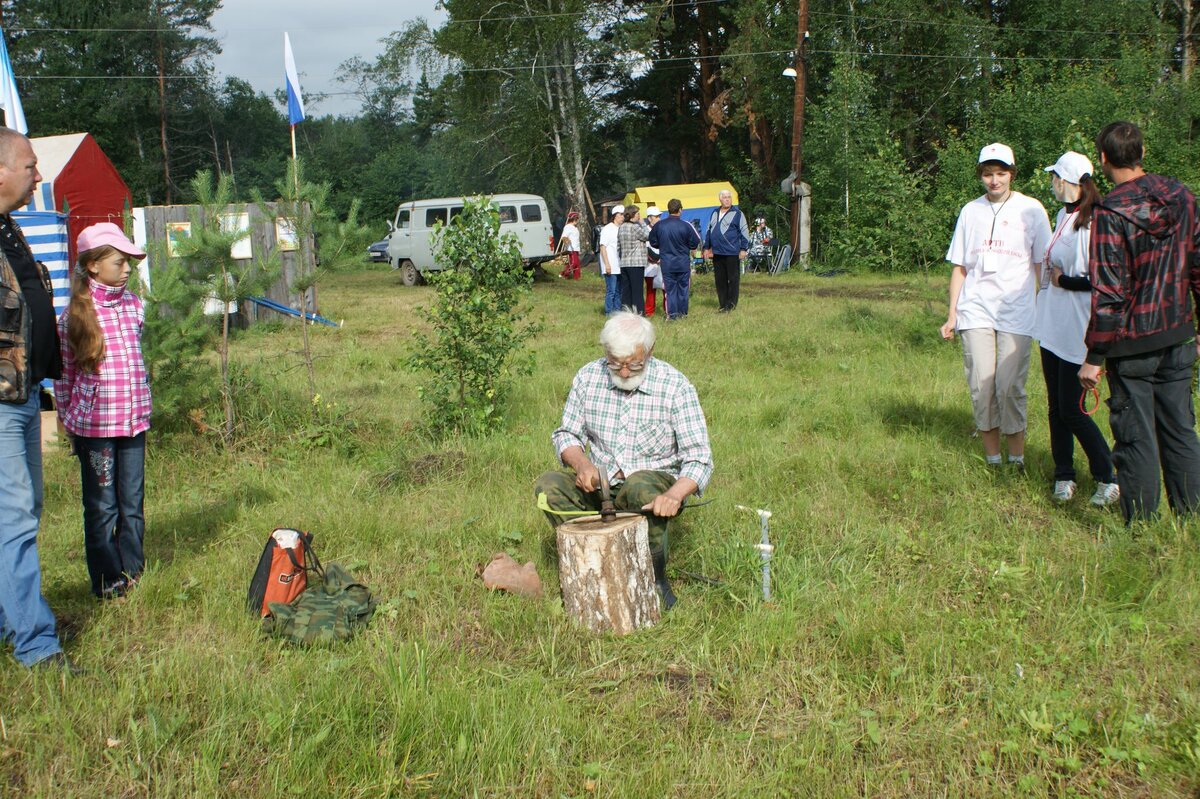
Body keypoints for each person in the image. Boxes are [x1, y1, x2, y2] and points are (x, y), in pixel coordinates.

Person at [534, 311, 713, 608]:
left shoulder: (675, 386)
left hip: (649, 489)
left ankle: (653, 578)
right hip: (599, 486)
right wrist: (582, 465)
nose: (625, 373)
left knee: (640, 485)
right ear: (605, 353)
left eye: (634, 364)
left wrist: (673, 495)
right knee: (548, 486)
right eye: (615, 364)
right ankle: (590, 568)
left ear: (651, 351)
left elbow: (700, 457)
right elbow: (566, 434)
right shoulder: (588, 377)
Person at [1079, 121, 1200, 522]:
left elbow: (1109, 293)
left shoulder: (1110, 211)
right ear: (1142, 153)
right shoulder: (1182, 195)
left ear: (1103, 159)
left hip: (1133, 345)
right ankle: (1191, 518)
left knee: (1136, 438)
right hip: (1179, 333)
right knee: (1181, 430)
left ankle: (1143, 525)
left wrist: (1094, 357)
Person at [0, 128, 74, 671]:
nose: (38, 176)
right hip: (1, 401)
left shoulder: (9, 228)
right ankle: (36, 644)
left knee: (25, 513)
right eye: (30, 166)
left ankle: (13, 620)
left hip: (24, 395)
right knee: (15, 519)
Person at [940, 143, 1052, 470]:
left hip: (1017, 312)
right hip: (975, 310)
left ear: (1012, 174)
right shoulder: (970, 211)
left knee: (1009, 387)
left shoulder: (1032, 210)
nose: (994, 180)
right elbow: (960, 267)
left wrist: (1045, 309)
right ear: (981, 176)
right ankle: (993, 460)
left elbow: (1041, 266)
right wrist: (952, 313)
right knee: (982, 384)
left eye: (1001, 173)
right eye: (988, 174)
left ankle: (1016, 460)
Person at [55, 223, 152, 599]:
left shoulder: (134, 306)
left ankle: (134, 570)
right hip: (95, 430)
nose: (127, 269)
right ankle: (108, 582)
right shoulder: (75, 316)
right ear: (93, 265)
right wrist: (67, 420)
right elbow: (63, 377)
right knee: (102, 507)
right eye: (119, 261)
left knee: (132, 503)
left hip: (133, 423)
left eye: (129, 262)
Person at [1033, 152, 1118, 506]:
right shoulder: (1062, 216)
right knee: (1056, 406)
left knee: (1073, 409)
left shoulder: (1092, 221)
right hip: (1052, 325)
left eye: (1056, 178)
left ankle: (1107, 476)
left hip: (1077, 329)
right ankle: (1064, 474)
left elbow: (1099, 280)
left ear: (1068, 182)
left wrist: (1062, 279)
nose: (1052, 184)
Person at [648, 199, 701, 320]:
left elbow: (653, 241)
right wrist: (688, 246)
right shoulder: (686, 225)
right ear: (680, 210)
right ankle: (683, 313)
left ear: (668, 210)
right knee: (683, 289)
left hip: (667, 263)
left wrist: (662, 246)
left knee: (669, 290)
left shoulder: (659, 225)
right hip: (682, 263)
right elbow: (695, 241)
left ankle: (671, 314)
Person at [702, 189, 750, 312]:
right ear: (720, 199)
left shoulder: (738, 213)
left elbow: (744, 231)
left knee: (733, 279)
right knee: (720, 280)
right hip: (717, 252)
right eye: (725, 197)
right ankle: (723, 304)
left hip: (732, 252)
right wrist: (706, 247)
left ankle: (731, 305)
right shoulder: (714, 212)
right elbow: (709, 230)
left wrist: (743, 249)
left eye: (729, 197)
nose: (727, 199)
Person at [617, 205, 649, 314]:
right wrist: (643, 223)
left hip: (624, 263)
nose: (640, 216)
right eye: (638, 214)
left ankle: (626, 312)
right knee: (637, 291)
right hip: (636, 262)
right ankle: (639, 313)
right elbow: (646, 236)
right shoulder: (635, 227)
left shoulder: (621, 227)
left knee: (626, 291)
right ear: (633, 215)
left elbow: (618, 246)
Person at [598, 205, 624, 315]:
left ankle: (617, 311)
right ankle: (608, 312)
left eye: (623, 215)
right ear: (615, 216)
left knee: (619, 291)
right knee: (611, 291)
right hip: (610, 264)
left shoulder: (621, 228)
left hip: (619, 265)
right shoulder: (607, 229)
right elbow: (602, 247)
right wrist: (607, 264)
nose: (623, 217)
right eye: (621, 215)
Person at [643, 206, 666, 317]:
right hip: (650, 265)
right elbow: (646, 248)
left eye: (659, 216)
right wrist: (654, 259)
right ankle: (649, 311)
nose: (658, 218)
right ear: (649, 218)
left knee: (664, 288)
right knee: (650, 290)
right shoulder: (645, 230)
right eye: (656, 216)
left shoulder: (662, 228)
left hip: (662, 263)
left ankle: (667, 309)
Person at [558, 211, 581, 279]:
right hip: (571, 248)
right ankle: (563, 274)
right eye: (577, 218)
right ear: (574, 219)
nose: (578, 220)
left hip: (576, 248)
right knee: (574, 263)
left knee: (577, 264)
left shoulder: (575, 228)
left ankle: (576, 278)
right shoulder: (568, 227)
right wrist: (567, 240)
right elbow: (564, 237)